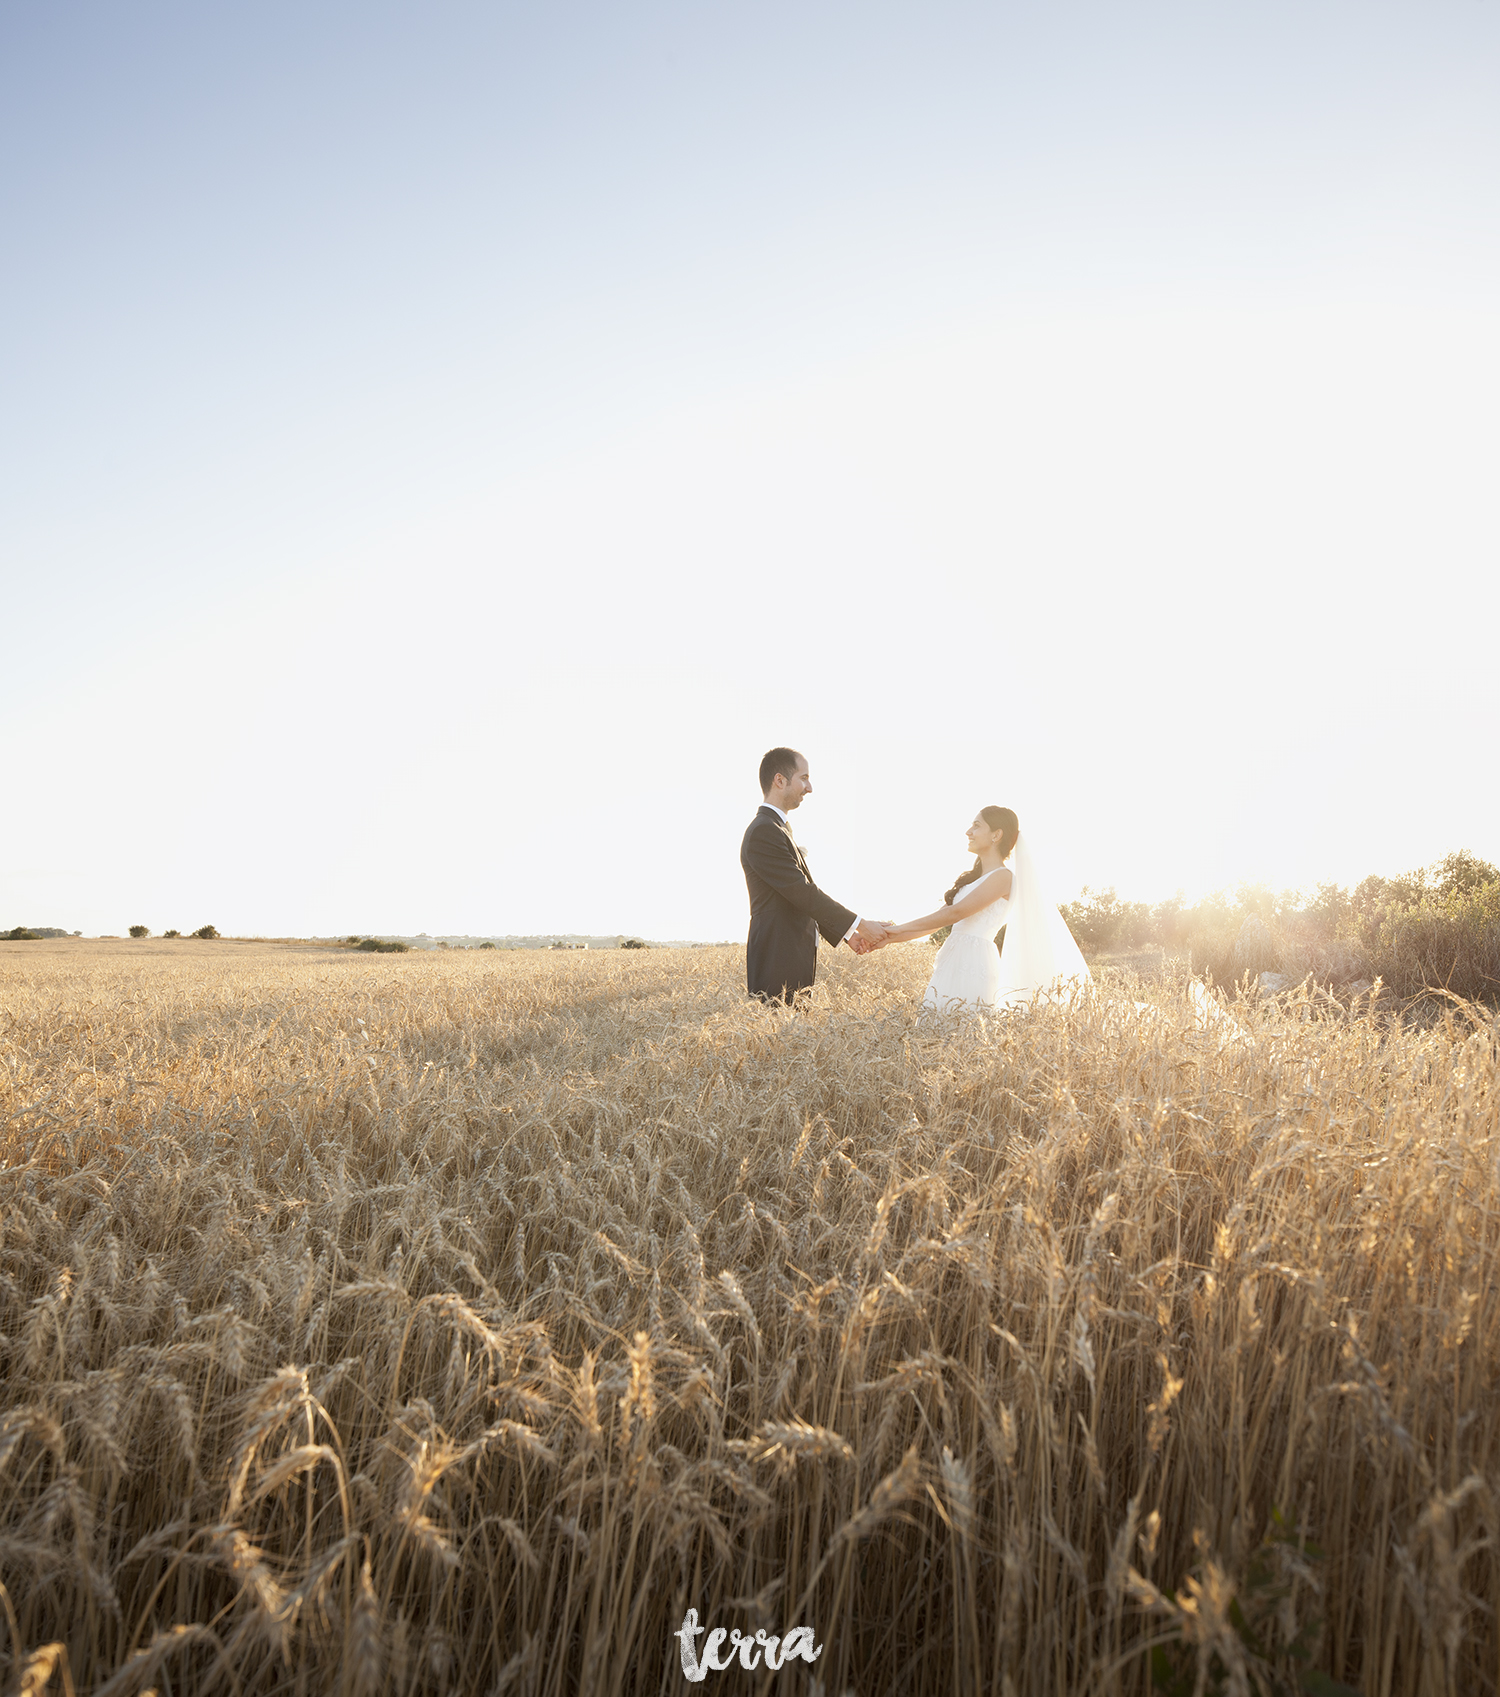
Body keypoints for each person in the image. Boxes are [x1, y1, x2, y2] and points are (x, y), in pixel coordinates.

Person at [881, 805, 1092, 1014]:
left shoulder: (1003, 877)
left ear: (996, 835)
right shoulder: (972, 881)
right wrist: (888, 937)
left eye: (976, 825)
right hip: (952, 958)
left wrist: (896, 929)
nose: (968, 832)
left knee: (965, 1029)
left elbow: (955, 913)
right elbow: (937, 920)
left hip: (974, 961)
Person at [740, 748, 892, 1004]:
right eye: (804, 778)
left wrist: (848, 935)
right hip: (776, 961)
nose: (809, 787)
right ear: (780, 780)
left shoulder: (776, 828)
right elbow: (803, 892)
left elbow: (796, 898)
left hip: (789, 958)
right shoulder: (764, 831)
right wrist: (861, 925)